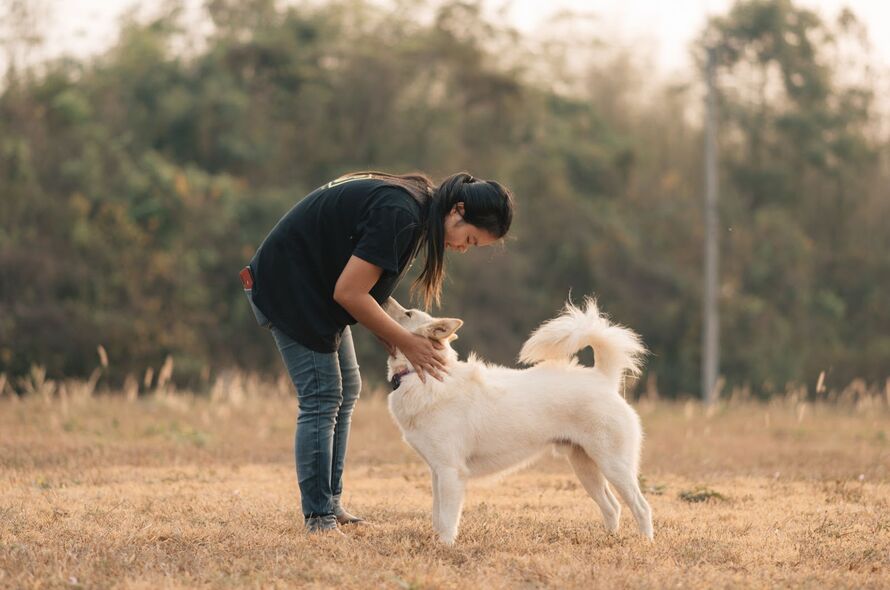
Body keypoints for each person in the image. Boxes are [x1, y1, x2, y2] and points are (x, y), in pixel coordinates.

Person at [241, 171, 514, 534]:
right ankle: (318, 517)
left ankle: (330, 504)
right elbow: (350, 293)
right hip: (290, 289)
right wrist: (405, 340)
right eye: (469, 239)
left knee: (346, 388)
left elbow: (368, 288)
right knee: (322, 396)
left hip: (313, 289)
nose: (463, 249)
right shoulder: (400, 214)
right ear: (457, 210)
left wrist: (399, 333)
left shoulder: (417, 211)